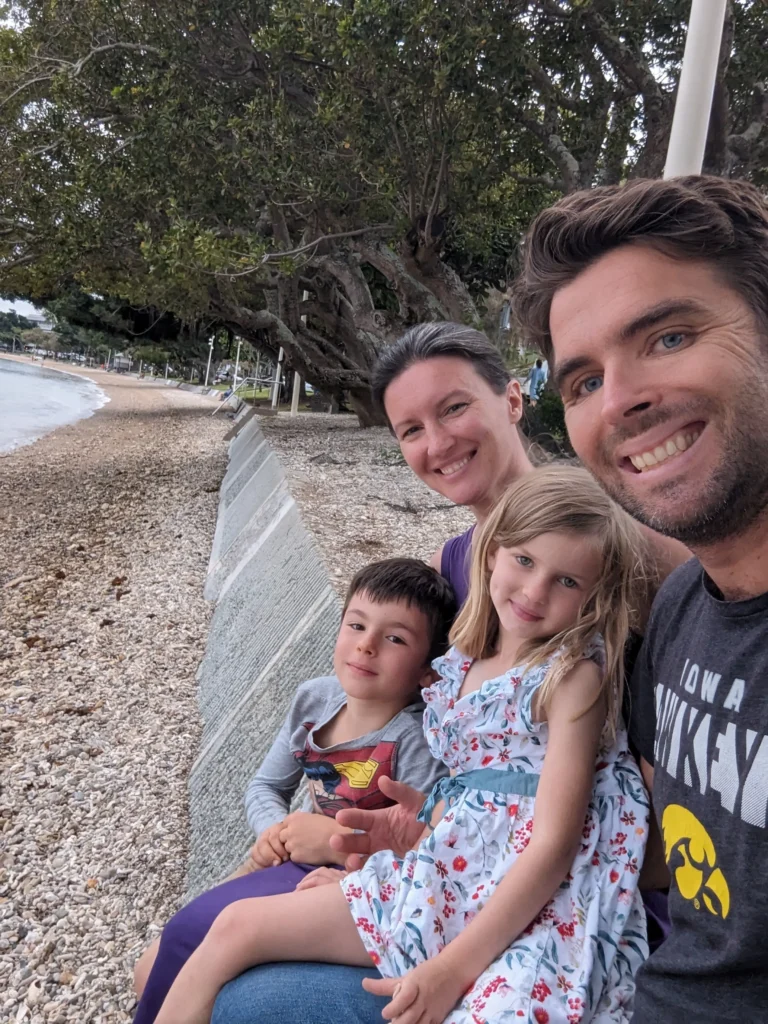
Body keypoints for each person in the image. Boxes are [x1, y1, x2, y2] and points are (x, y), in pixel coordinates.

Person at [210, 323, 684, 1024]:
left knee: (244, 991)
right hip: (448, 858)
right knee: (200, 942)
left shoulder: (619, 557)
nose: (436, 442)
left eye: (455, 408)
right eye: (410, 428)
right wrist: (400, 836)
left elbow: (609, 814)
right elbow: (446, 741)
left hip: (566, 899)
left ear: (513, 399)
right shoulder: (458, 570)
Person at [157, 467, 651, 1024]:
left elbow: (554, 844)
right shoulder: (467, 661)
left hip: (523, 895)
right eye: (525, 561)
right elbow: (478, 798)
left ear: (595, 595)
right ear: (492, 553)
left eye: (567, 581)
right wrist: (396, 852)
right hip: (448, 867)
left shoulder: (569, 677)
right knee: (233, 927)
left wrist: (451, 971)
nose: (535, 591)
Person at [511, 175, 768, 1021]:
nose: (619, 401)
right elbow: (670, 851)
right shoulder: (686, 608)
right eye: (583, 383)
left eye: (668, 337)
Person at [132, 558, 456, 1023]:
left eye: (395, 638)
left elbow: (419, 846)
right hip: (290, 855)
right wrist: (277, 832)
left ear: (427, 669)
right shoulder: (315, 700)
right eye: (357, 625)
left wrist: (341, 858)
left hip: (349, 879)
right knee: (150, 970)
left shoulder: (416, 739)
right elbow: (266, 785)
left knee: (189, 936)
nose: (366, 646)